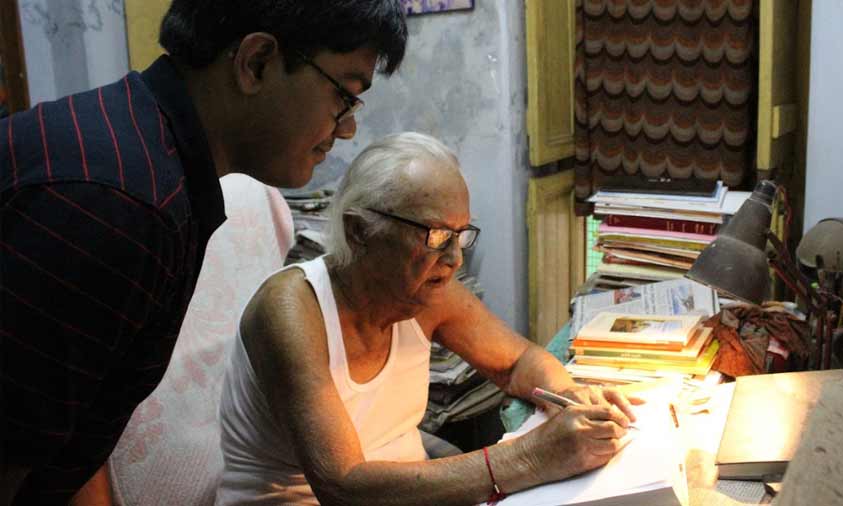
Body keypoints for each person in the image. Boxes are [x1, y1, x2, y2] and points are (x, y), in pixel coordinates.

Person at [0, 1, 408, 504]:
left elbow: (72, 420)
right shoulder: (119, 201)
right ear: (255, 62)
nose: (346, 129)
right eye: (343, 97)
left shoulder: (156, 159)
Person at [216, 132, 637, 505]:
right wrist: (530, 456)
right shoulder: (291, 310)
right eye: (435, 236)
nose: (454, 259)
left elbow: (516, 362)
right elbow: (342, 486)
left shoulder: (425, 293)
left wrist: (570, 394)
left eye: (460, 235)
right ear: (359, 230)